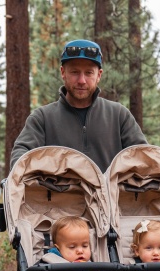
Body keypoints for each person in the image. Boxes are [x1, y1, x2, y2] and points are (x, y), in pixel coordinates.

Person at [10, 39, 148, 172]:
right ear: (63, 73)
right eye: (75, 72)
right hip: (59, 196)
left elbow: (144, 158)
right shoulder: (42, 118)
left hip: (110, 196)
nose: (82, 80)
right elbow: (20, 157)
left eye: (88, 73)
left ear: (99, 75)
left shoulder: (119, 115)